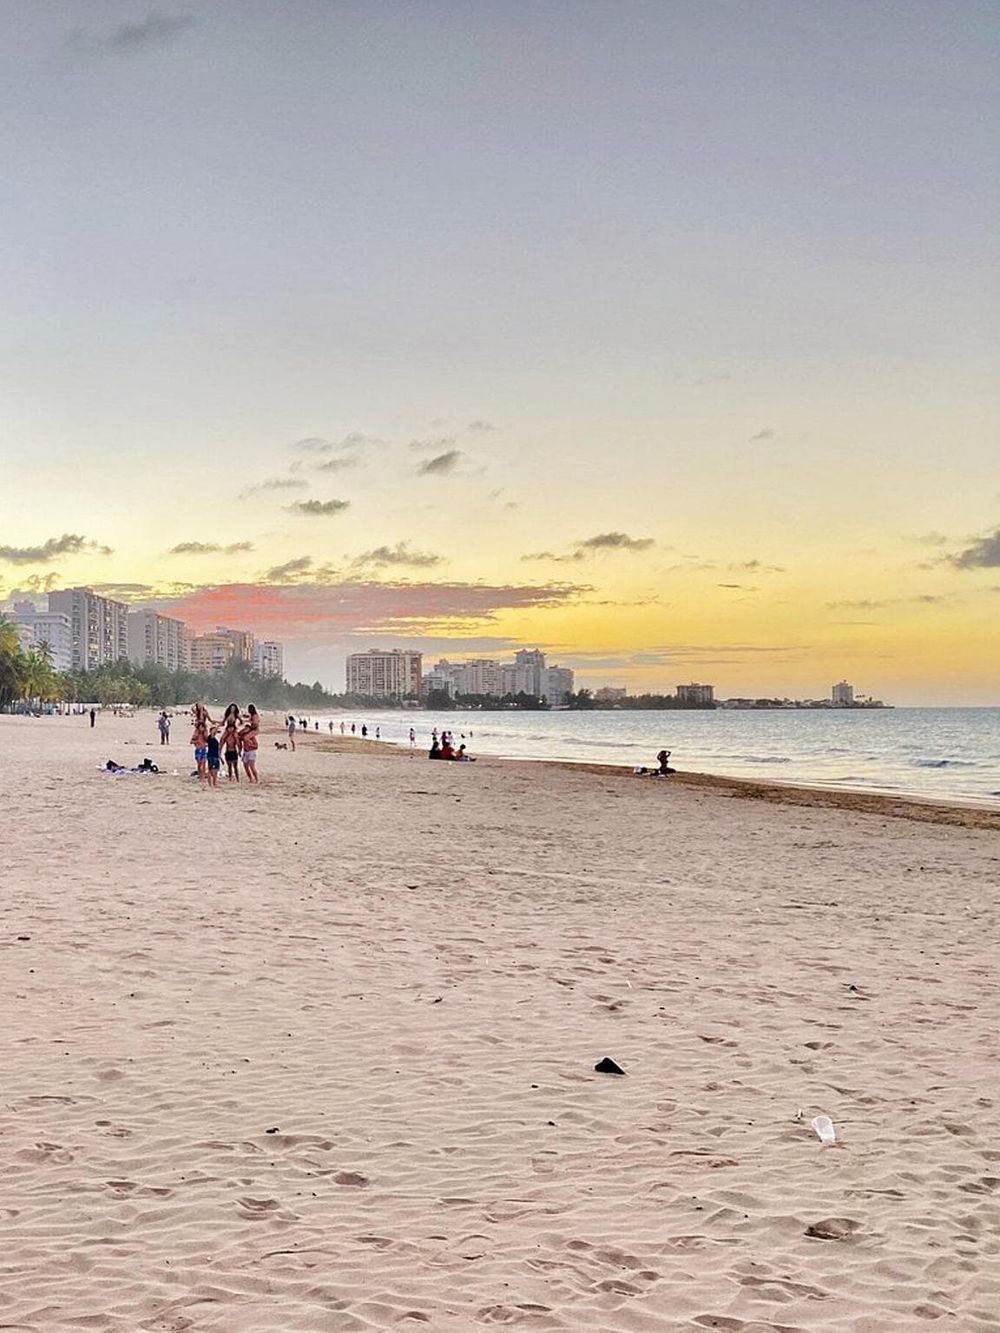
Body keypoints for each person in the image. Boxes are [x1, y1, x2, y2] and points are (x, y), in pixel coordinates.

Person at [239, 703, 260, 783]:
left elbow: (255, 724)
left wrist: (249, 726)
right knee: (246, 766)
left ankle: (255, 779)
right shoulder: (253, 715)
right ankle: (251, 779)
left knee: (246, 738)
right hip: (246, 751)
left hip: (250, 750)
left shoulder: (255, 715)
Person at [220, 714, 241, 782]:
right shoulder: (226, 735)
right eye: (229, 728)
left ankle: (237, 779)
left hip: (234, 751)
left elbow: (238, 743)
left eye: (232, 728)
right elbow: (222, 742)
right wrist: (219, 751)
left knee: (235, 766)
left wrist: (239, 751)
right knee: (229, 766)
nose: (230, 729)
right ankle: (230, 778)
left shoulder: (235, 735)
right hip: (228, 751)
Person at [191, 711, 209, 783]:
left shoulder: (205, 735)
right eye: (201, 727)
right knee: (199, 764)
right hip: (198, 749)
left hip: (203, 749)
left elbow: (208, 741)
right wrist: (197, 742)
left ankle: (203, 776)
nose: (202, 728)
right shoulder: (196, 734)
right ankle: (200, 774)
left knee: (203, 763)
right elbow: (191, 741)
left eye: (203, 727)